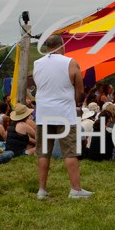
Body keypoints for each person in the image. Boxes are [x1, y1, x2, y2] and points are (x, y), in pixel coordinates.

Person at [33, 33, 91, 199]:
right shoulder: (70, 62)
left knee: (43, 153)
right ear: (62, 45)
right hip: (64, 113)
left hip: (43, 113)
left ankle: (42, 190)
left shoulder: (37, 64)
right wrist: (74, 102)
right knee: (70, 152)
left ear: (47, 47)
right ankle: (75, 190)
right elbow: (80, 90)